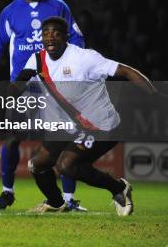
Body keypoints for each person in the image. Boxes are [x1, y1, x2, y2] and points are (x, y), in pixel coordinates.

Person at [0, 0, 86, 211]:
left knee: (62, 139)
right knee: (13, 138)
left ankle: (69, 200)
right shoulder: (9, 12)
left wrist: (78, 69)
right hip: (24, 86)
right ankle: (7, 192)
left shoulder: (59, 6)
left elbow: (77, 38)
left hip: (56, 86)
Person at [16, 16, 150, 215]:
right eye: (45, 34)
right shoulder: (37, 59)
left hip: (101, 126)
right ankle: (55, 203)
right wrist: (15, 85)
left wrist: (156, 95)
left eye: (56, 33)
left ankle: (119, 188)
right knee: (37, 164)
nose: (50, 38)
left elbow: (125, 71)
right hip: (69, 127)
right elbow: (14, 89)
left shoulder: (85, 58)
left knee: (67, 165)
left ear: (66, 36)